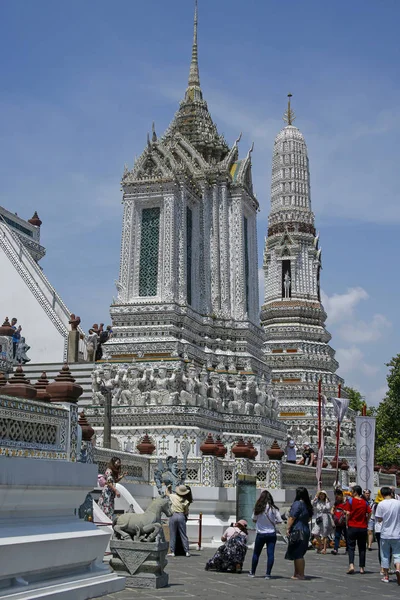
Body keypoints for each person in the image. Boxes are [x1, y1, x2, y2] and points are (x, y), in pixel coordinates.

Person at [249, 490, 282, 579]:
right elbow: (279, 520)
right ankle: (268, 574)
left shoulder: (258, 508)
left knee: (256, 553)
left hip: (261, 534)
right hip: (271, 533)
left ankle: (252, 572)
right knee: (270, 554)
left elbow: (253, 519)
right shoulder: (274, 508)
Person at [285, 486, 313, 580]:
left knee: (298, 553)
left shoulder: (297, 504)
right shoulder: (307, 505)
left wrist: (288, 528)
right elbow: (309, 518)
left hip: (298, 529)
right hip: (305, 529)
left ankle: (300, 574)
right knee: (299, 552)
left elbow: (292, 517)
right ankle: (297, 573)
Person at [375, 486, 400, 584]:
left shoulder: (381, 504)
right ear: (391, 493)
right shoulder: (398, 503)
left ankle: (386, 576)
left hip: (385, 533)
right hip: (397, 533)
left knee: (385, 555)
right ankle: (398, 568)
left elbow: (379, 519)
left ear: (382, 494)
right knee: (398, 554)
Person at [345, 484, 371, 575]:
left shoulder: (350, 501)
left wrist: (347, 522)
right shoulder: (365, 502)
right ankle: (362, 568)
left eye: (352, 491)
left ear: (355, 492)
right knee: (362, 548)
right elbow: (369, 512)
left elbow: (348, 513)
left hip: (352, 526)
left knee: (351, 547)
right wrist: (366, 521)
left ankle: (351, 565)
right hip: (363, 527)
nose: (351, 493)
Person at [168, 484, 192, 558]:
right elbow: (186, 512)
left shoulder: (173, 497)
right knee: (183, 534)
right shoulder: (186, 501)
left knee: (173, 534)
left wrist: (168, 487)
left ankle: (172, 551)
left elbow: (167, 493)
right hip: (181, 516)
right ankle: (187, 551)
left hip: (173, 515)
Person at [331, 488, 349, 555]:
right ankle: (335, 549)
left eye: (338, 496)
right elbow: (333, 508)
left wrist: (344, 512)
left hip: (345, 521)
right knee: (337, 535)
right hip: (338, 522)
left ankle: (348, 549)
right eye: (336, 496)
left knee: (346, 536)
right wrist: (332, 511)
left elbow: (349, 511)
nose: (337, 498)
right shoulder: (336, 502)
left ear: (341, 495)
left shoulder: (346, 501)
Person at [372, 489, 385, 574]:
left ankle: (383, 567)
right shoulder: (379, 505)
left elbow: (374, 517)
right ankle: (384, 567)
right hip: (384, 529)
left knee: (382, 549)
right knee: (388, 549)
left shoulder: (375, 504)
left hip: (379, 529)